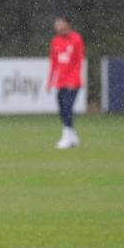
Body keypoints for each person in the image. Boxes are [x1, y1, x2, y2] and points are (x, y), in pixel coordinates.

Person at [47, 15, 84, 149]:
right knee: (62, 109)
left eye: (59, 23)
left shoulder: (76, 39)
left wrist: (74, 80)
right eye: (56, 23)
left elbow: (78, 61)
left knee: (68, 107)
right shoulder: (55, 40)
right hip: (61, 82)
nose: (57, 25)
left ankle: (66, 137)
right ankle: (72, 136)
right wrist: (50, 82)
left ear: (67, 24)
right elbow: (54, 63)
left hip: (73, 82)